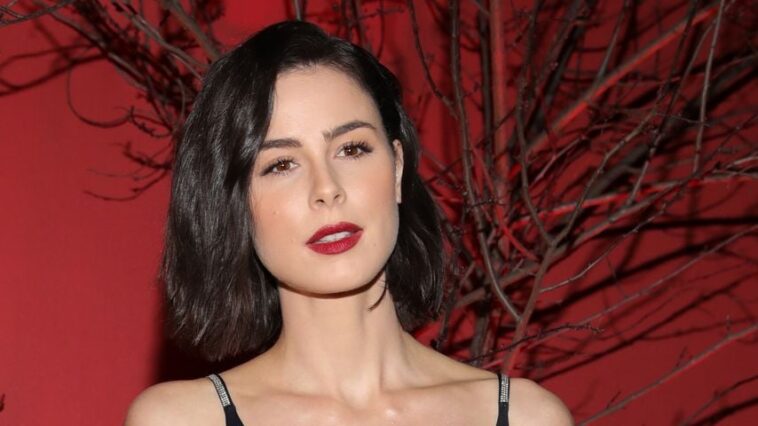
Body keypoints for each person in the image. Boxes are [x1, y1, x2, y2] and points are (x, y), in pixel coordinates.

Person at [125, 20, 572, 425]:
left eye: (352, 149)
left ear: (396, 169)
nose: (327, 188)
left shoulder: (527, 418)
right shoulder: (182, 420)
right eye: (281, 164)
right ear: (235, 205)